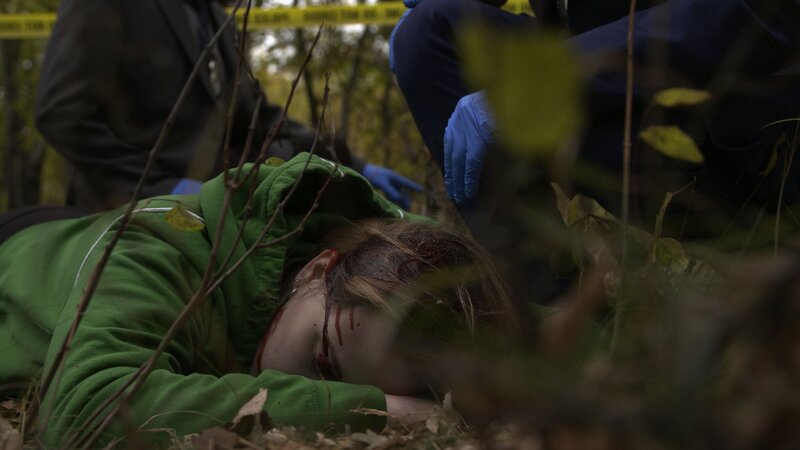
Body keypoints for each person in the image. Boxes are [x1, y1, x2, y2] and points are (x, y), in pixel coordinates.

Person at [0, 153, 521, 448]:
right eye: (322, 362)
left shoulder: (397, 257)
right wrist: (377, 410)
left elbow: (526, 317)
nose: (309, 391)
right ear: (316, 268)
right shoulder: (156, 253)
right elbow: (87, 411)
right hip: (20, 243)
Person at [390, 0, 800, 223]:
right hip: (612, 99)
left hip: (735, 129)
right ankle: (549, 308)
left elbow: (762, 13)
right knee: (428, 32)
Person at [35, 0, 421, 212]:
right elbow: (61, 113)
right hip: (124, 222)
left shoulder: (218, 20)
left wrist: (351, 163)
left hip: (213, 215)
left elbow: (260, 120)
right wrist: (159, 187)